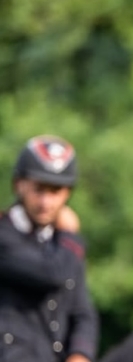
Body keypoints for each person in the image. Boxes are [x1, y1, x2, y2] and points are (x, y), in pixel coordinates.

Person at [0, 135, 99, 362]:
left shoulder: (62, 245)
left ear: (67, 193)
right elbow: (52, 274)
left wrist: (80, 354)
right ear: (19, 185)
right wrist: (71, 235)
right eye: (39, 189)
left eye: (55, 191)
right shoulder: (4, 235)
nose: (46, 202)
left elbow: (82, 312)